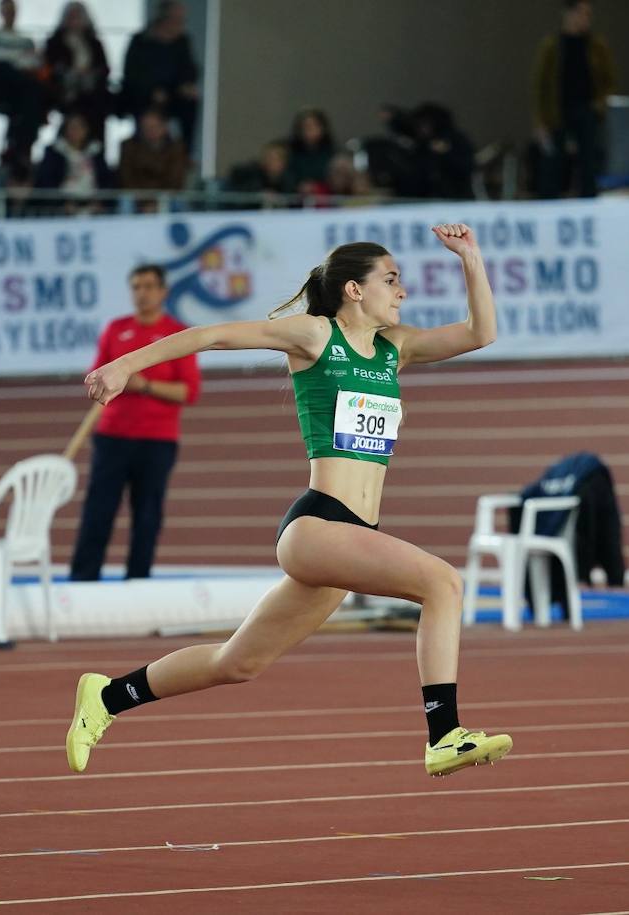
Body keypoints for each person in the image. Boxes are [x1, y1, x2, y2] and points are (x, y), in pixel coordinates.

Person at [66, 223, 513, 779]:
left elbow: (481, 332)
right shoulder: (315, 336)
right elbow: (213, 336)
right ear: (354, 289)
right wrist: (126, 365)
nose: (402, 292)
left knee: (238, 662)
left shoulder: (395, 348)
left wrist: (470, 257)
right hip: (319, 526)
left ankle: (106, 697)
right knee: (443, 583)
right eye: (391, 280)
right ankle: (444, 733)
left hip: (353, 536)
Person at [68, 264, 199, 582]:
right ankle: (83, 578)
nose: (143, 293)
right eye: (137, 286)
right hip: (112, 435)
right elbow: (95, 377)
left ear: (163, 291)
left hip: (157, 439)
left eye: (150, 286)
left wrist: (146, 386)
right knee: (98, 510)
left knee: (147, 514)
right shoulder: (116, 329)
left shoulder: (178, 335)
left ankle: (138, 579)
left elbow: (189, 391)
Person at [531, 0, 614, 198]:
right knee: (553, 164)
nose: (585, 19)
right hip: (557, 112)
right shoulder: (552, 46)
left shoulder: (596, 46)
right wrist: (539, 122)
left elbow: (609, 80)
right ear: (568, 14)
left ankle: (588, 204)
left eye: (588, 14)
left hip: (587, 110)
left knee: (589, 164)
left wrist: (599, 105)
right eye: (581, 13)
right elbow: (539, 86)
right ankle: (547, 207)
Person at [0, 0, 46, 168]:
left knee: (30, 93)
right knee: (6, 69)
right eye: (6, 10)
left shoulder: (26, 40)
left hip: (21, 87)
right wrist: (14, 61)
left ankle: (17, 148)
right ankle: (18, 148)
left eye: (12, 10)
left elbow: (35, 63)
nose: (9, 14)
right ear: (0, 12)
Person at [119, 0, 199, 145]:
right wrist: (153, 90)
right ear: (165, 20)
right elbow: (132, 74)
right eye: (177, 20)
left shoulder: (182, 42)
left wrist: (185, 85)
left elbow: (190, 70)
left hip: (172, 93)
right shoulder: (140, 41)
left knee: (190, 102)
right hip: (143, 94)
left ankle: (185, 152)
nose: (181, 24)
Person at [43, 2, 111, 144]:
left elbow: (105, 69)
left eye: (77, 17)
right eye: (71, 16)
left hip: (91, 89)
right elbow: (49, 68)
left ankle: (97, 153)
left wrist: (90, 75)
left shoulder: (94, 43)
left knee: (99, 105)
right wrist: (70, 74)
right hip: (65, 89)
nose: (74, 20)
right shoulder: (54, 42)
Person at [117, 107, 189, 197]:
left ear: (164, 127)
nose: (150, 131)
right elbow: (126, 178)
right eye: (145, 127)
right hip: (137, 197)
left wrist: (156, 201)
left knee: (179, 202)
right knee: (125, 200)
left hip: (167, 197)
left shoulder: (177, 148)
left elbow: (176, 179)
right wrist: (143, 200)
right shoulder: (129, 146)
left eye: (154, 127)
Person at [284, 108, 335, 195]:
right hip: (295, 198)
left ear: (322, 128)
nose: (310, 130)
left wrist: (317, 186)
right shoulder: (289, 152)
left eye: (314, 125)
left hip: (327, 199)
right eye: (306, 126)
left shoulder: (332, 152)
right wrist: (298, 186)